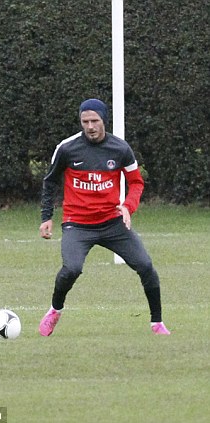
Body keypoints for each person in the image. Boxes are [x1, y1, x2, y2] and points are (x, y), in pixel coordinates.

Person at [38, 98, 170, 336]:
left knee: (146, 266)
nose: (89, 126)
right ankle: (55, 311)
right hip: (77, 224)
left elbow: (136, 182)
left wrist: (128, 206)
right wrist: (46, 217)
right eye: (85, 121)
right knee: (72, 269)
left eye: (94, 121)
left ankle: (157, 323)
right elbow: (49, 182)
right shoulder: (67, 148)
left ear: (104, 121)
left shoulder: (120, 149)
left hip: (113, 223)